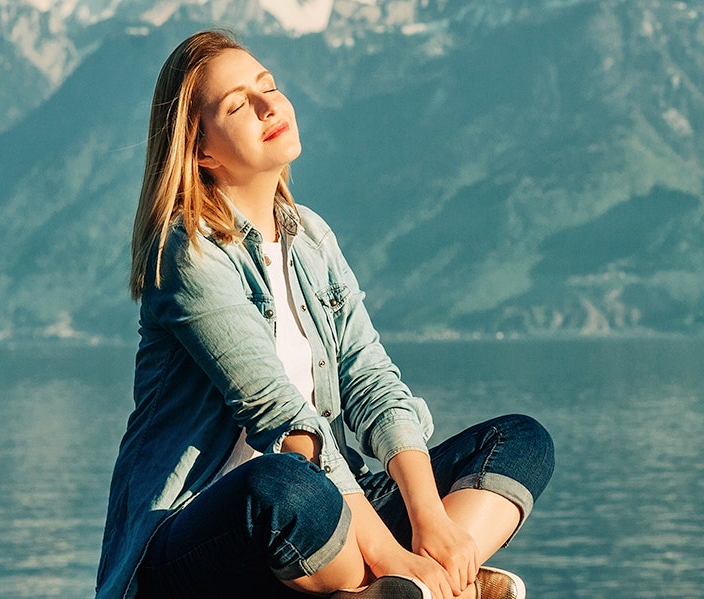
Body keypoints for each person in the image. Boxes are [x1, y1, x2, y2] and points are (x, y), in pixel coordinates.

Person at [95, 29, 554, 599]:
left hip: (326, 524)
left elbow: (372, 382)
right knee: (284, 485)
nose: (269, 106)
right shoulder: (185, 251)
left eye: (269, 86)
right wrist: (388, 552)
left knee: (520, 442)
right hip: (202, 540)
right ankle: (396, 586)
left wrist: (431, 521)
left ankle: (421, 585)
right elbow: (283, 418)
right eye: (238, 104)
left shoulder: (310, 237)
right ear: (200, 151)